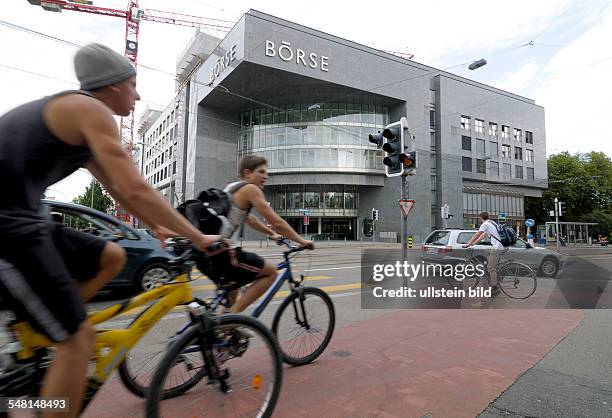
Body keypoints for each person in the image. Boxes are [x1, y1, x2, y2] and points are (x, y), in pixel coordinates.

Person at [0, 43, 219, 418]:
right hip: (9, 228)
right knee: (78, 342)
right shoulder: (90, 109)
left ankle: (43, 329)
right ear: (114, 85)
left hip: (27, 219)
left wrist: (155, 225)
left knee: (113, 256)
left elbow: (119, 188)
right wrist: (198, 237)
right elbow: (136, 188)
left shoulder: (77, 116)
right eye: (134, 85)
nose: (138, 95)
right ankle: (65, 343)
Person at [196, 155, 314, 313]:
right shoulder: (251, 189)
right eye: (261, 172)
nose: (266, 176)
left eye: (267, 172)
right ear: (247, 173)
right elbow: (277, 221)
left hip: (205, 254)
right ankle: (233, 320)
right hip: (222, 254)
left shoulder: (232, 187)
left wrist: (271, 233)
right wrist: (301, 241)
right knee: (271, 273)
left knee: (232, 291)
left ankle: (223, 330)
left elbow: (249, 219)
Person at [462, 211, 508, 296]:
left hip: (498, 247)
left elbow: (477, 234)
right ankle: (493, 268)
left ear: (481, 218)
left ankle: (495, 288)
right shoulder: (492, 223)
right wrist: (474, 243)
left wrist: (468, 244)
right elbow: (483, 235)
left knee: (491, 268)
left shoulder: (485, 224)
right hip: (503, 246)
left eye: (479, 218)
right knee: (487, 251)